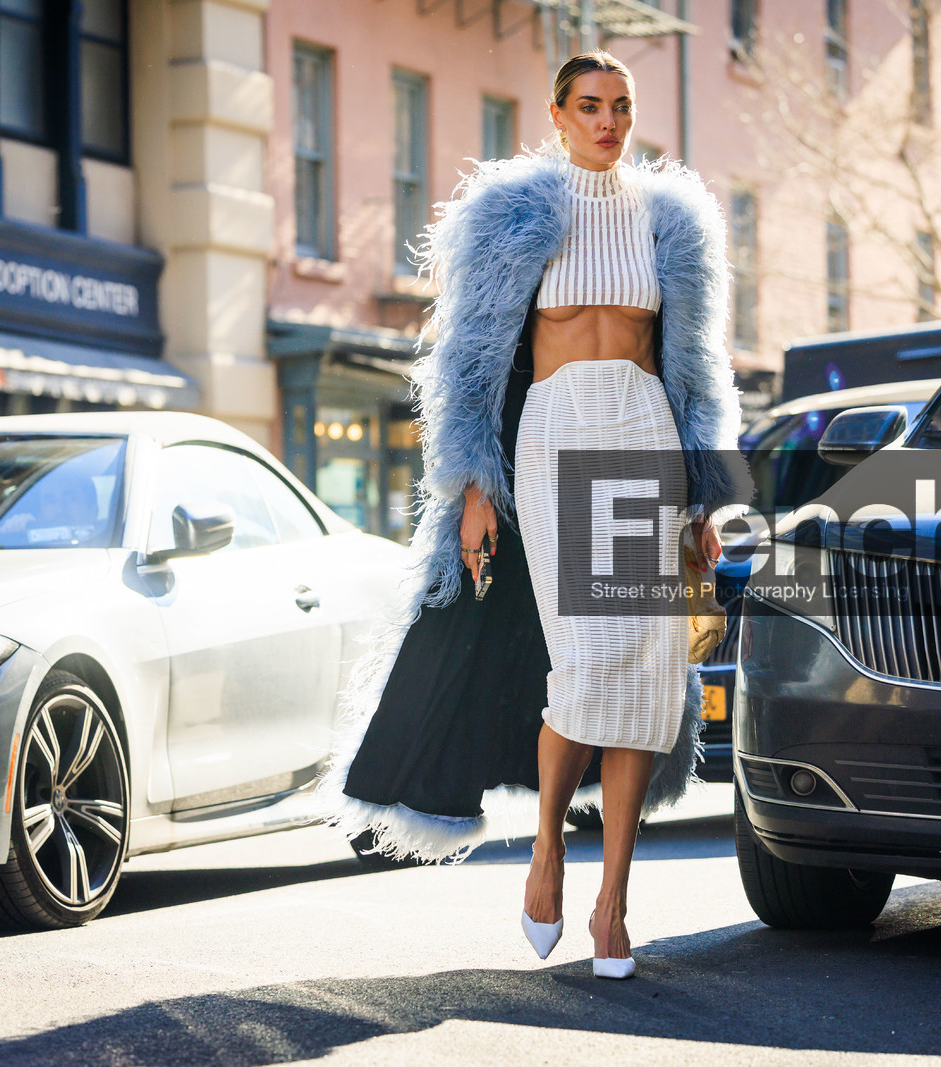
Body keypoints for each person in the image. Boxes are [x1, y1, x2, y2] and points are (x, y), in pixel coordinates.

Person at [317, 51, 749, 981]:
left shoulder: (671, 222)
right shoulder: (512, 216)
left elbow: (699, 373)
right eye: (591, 106)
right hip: (553, 432)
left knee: (643, 670)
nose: (608, 122)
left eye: (622, 107)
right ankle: (549, 846)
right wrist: (474, 485)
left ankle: (615, 899)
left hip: (642, 431)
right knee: (585, 658)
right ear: (557, 114)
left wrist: (706, 496)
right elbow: (468, 364)